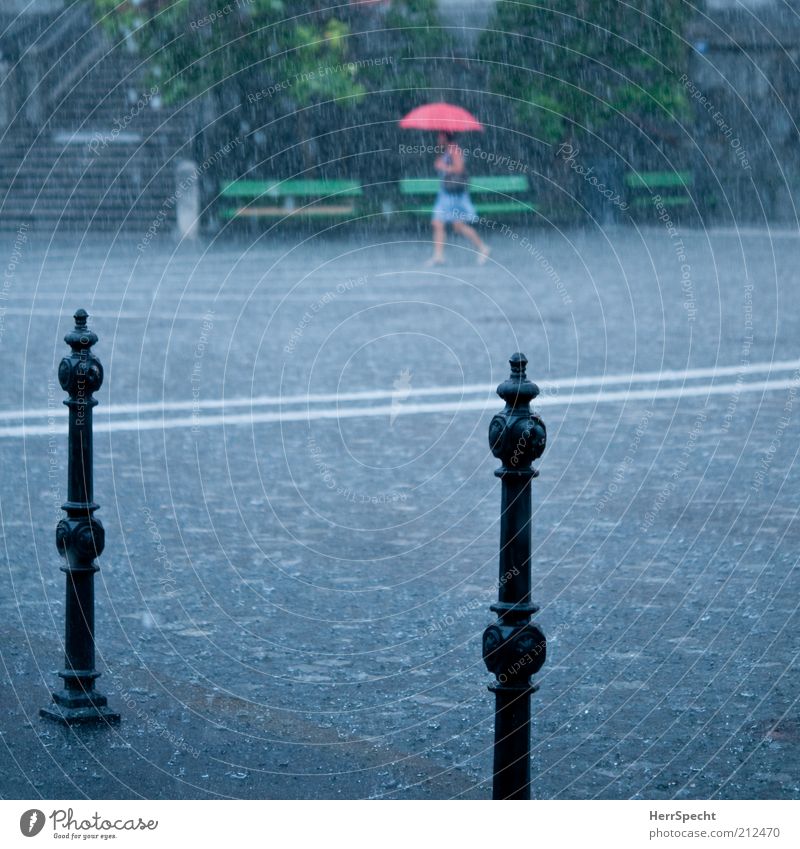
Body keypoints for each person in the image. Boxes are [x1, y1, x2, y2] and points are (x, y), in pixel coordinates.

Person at [426, 131, 490, 266]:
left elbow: (459, 168)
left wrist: (442, 166)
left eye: (440, 135)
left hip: (453, 195)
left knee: (456, 226)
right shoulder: (446, 150)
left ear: (445, 137)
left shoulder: (454, 150)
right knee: (440, 224)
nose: (437, 138)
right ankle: (438, 256)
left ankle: (483, 247)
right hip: (445, 193)